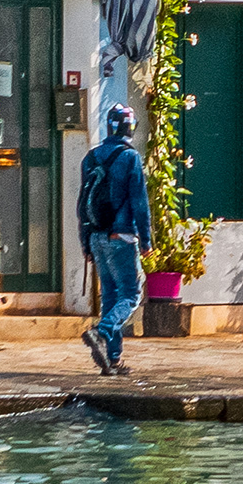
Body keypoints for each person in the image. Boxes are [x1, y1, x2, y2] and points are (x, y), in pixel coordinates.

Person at [79, 103, 151, 377]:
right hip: (121, 236)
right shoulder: (130, 157)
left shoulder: (91, 157)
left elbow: (81, 203)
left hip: (97, 236)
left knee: (110, 295)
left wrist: (85, 242)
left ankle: (113, 360)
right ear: (129, 128)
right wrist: (145, 240)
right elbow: (139, 202)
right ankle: (102, 331)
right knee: (131, 294)